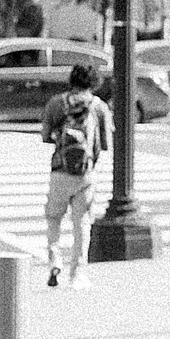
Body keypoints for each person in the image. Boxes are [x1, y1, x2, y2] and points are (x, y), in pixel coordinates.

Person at [41, 62, 111, 288]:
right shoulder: (98, 107)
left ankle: (54, 260)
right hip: (85, 174)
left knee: (53, 219)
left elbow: (45, 136)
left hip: (60, 170)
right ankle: (77, 275)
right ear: (94, 82)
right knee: (81, 223)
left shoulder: (56, 103)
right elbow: (106, 144)